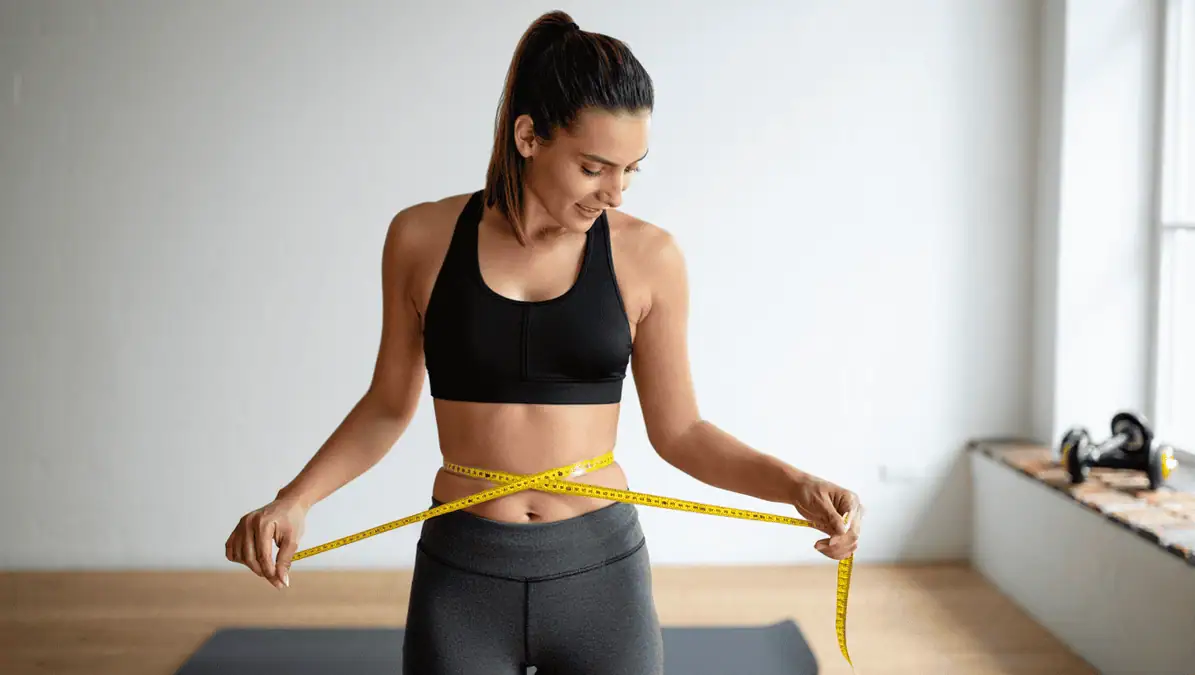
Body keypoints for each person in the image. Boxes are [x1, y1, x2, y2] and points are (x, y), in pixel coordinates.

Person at [225, 10, 862, 674]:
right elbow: (387, 405)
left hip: (599, 576)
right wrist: (292, 500)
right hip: (463, 574)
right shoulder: (420, 238)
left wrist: (796, 484)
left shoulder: (649, 257)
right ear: (528, 135)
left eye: (631, 170)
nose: (614, 192)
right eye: (593, 167)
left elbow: (682, 432)